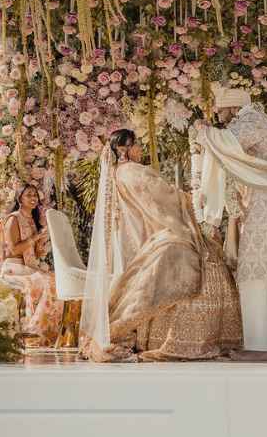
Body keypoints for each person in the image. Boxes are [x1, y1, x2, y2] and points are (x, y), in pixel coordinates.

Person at [80, 128, 242, 362]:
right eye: (136, 144)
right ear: (124, 148)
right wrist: (189, 198)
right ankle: (182, 339)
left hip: (160, 235)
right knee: (194, 261)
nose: (140, 149)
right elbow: (162, 199)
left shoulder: (118, 173)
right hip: (170, 232)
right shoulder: (132, 171)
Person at [192, 86, 267, 361]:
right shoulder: (257, 119)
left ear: (233, 106)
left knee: (254, 275)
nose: (217, 114)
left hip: (264, 206)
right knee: (264, 276)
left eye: (220, 109)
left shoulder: (252, 120)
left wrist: (202, 131)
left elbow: (227, 143)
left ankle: (258, 347)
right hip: (264, 203)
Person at [0, 184, 64, 346]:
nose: (33, 199)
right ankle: (33, 330)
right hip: (13, 267)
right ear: (20, 199)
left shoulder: (33, 220)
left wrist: (42, 244)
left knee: (55, 280)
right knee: (46, 281)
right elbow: (13, 249)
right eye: (29, 195)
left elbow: (35, 253)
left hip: (29, 267)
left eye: (35, 196)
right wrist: (36, 237)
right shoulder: (14, 219)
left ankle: (47, 331)